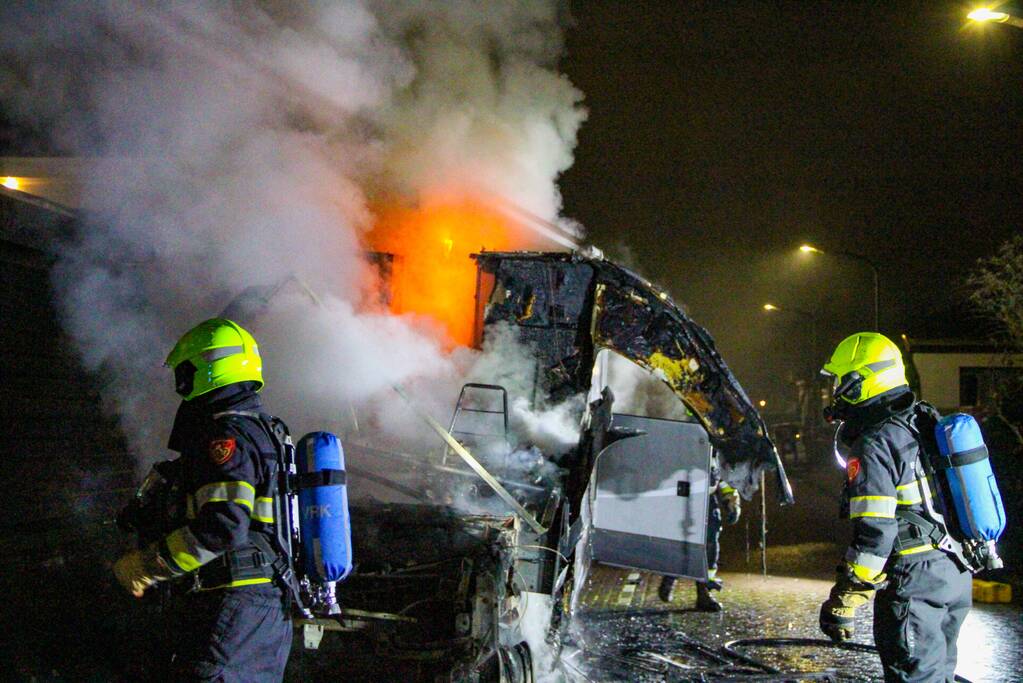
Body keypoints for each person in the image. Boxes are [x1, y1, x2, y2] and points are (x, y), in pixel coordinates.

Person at [113, 318, 294, 681]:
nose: (180, 385)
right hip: (264, 612)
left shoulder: (226, 436)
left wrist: (148, 566)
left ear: (206, 368)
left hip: (233, 611)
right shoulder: (264, 430)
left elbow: (223, 527)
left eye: (184, 372)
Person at [818, 332, 971, 682]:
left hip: (913, 582)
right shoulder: (922, 420)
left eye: (842, 381)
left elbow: (875, 532)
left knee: (915, 677)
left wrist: (847, 596)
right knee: (938, 675)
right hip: (954, 571)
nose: (836, 390)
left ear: (860, 383)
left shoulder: (874, 443)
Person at [658, 454, 741, 612]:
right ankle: (670, 577)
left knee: (709, 547)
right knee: (681, 544)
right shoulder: (685, 439)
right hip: (684, 499)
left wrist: (731, 502)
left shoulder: (715, 449)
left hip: (708, 501)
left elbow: (723, 478)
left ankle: (704, 593)